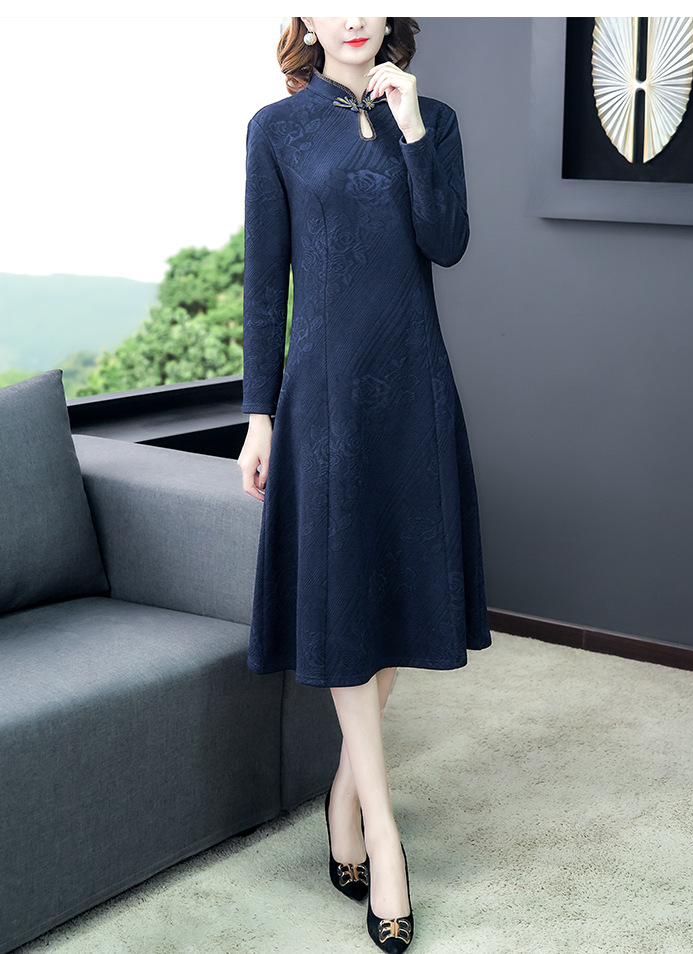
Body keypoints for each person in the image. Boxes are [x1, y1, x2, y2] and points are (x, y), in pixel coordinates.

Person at [237, 17, 492, 952]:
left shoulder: (436, 118)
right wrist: (259, 416)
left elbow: (448, 241)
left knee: (396, 590)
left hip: (414, 385)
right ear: (305, 17)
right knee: (348, 597)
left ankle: (345, 794)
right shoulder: (276, 128)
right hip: (325, 396)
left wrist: (413, 126)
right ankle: (382, 833)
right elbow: (264, 278)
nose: (353, 14)